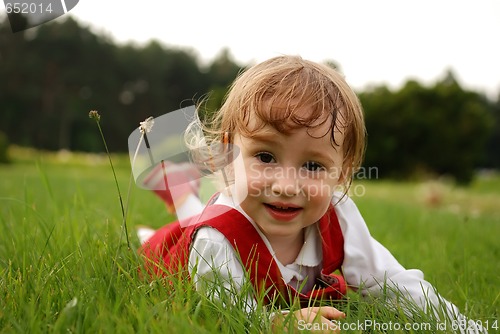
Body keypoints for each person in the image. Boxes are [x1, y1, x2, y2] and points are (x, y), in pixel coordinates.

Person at [138, 55, 486, 333]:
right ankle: (178, 195)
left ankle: (181, 190)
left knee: (195, 216)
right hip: (183, 249)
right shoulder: (215, 239)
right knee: (188, 225)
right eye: (265, 156)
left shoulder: (339, 215)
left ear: (343, 172)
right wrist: (280, 322)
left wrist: (460, 326)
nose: (287, 185)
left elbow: (390, 281)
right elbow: (223, 312)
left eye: (314, 166)